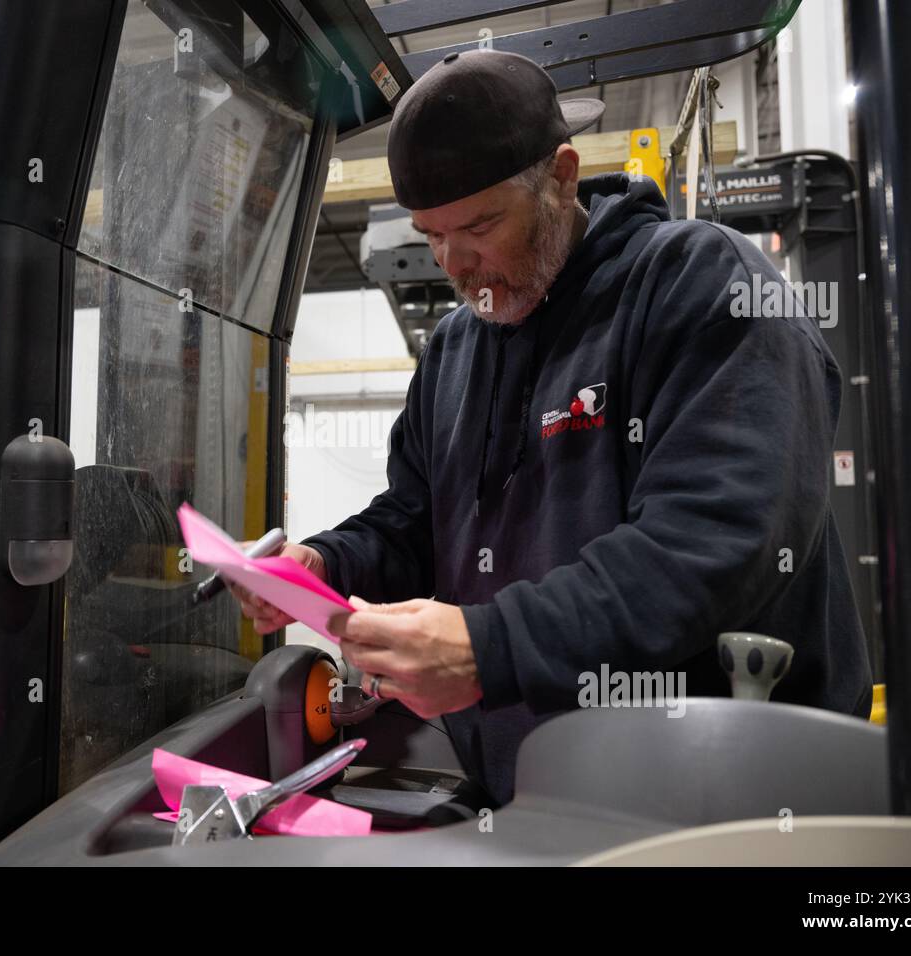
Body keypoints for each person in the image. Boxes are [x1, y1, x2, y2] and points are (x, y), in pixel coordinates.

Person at [231, 49, 873, 806]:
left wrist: (489, 648)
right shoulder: (457, 349)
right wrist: (323, 564)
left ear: (561, 176)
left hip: (721, 802)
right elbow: (413, 525)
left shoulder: (699, 286)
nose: (454, 264)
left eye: (478, 225)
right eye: (430, 235)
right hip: (536, 797)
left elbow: (714, 545)